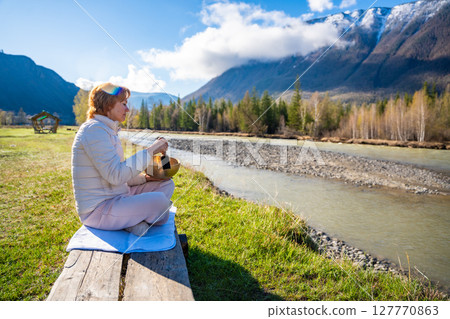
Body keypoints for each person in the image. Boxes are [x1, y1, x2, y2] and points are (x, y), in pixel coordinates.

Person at [71, 82, 174, 236]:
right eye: (124, 104)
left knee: (166, 184)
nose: (127, 109)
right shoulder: (94, 130)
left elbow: (119, 174)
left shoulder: (107, 130)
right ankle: (132, 220)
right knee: (159, 202)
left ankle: (131, 220)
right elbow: (116, 175)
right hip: (99, 210)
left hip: (118, 195)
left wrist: (145, 179)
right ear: (108, 104)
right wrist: (152, 150)